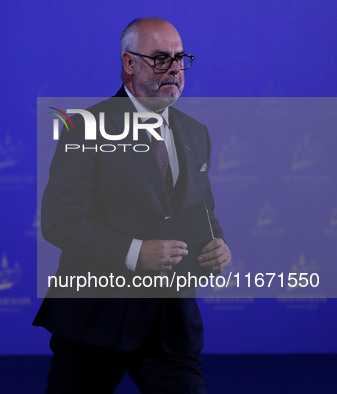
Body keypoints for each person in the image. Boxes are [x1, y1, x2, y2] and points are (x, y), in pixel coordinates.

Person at [33, 18, 231, 393]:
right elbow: (60, 221)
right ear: (129, 63)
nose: (174, 68)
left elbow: (202, 210)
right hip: (94, 321)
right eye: (160, 59)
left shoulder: (195, 132)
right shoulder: (85, 127)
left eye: (179, 58)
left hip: (171, 327)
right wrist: (136, 253)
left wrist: (216, 246)